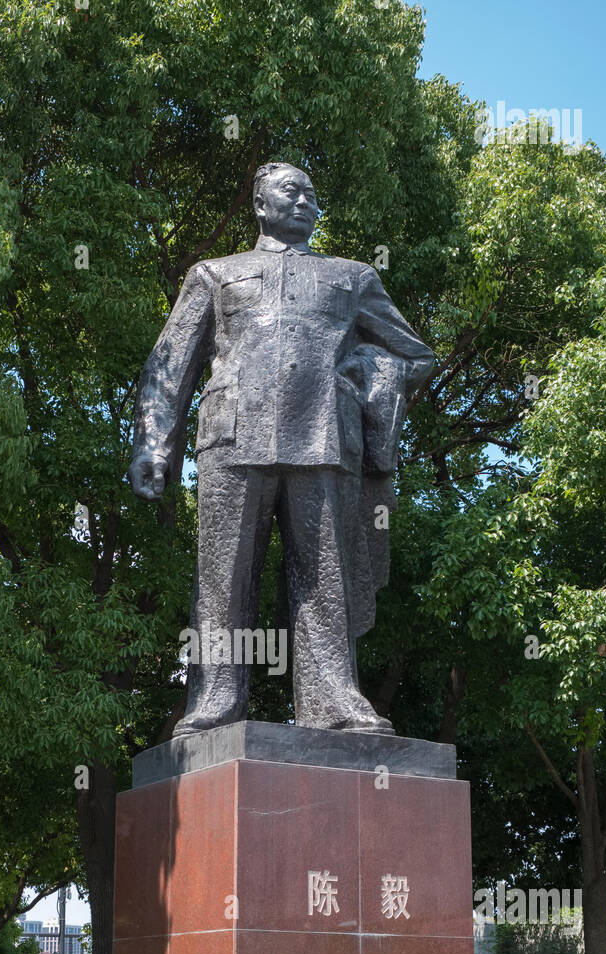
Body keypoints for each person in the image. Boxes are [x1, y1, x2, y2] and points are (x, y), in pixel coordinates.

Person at [128, 162, 434, 735]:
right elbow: (170, 365)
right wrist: (152, 443)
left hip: (323, 439)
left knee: (325, 578)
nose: (304, 201)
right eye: (290, 191)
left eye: (313, 195)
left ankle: (334, 701)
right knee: (223, 575)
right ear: (259, 203)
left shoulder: (353, 278)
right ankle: (215, 698)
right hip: (232, 438)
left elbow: (414, 357)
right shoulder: (215, 274)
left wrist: (360, 373)